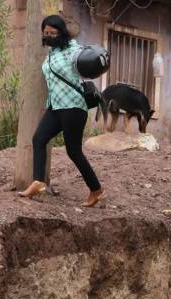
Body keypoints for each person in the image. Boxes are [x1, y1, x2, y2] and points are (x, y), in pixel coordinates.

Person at [18, 15, 104, 207]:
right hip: (56, 106)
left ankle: (96, 190)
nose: (48, 36)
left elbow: (90, 57)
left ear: (61, 33)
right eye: (45, 33)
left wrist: (98, 57)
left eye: (52, 33)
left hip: (73, 106)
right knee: (38, 139)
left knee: (73, 151)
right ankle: (38, 181)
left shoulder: (73, 50)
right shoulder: (51, 53)